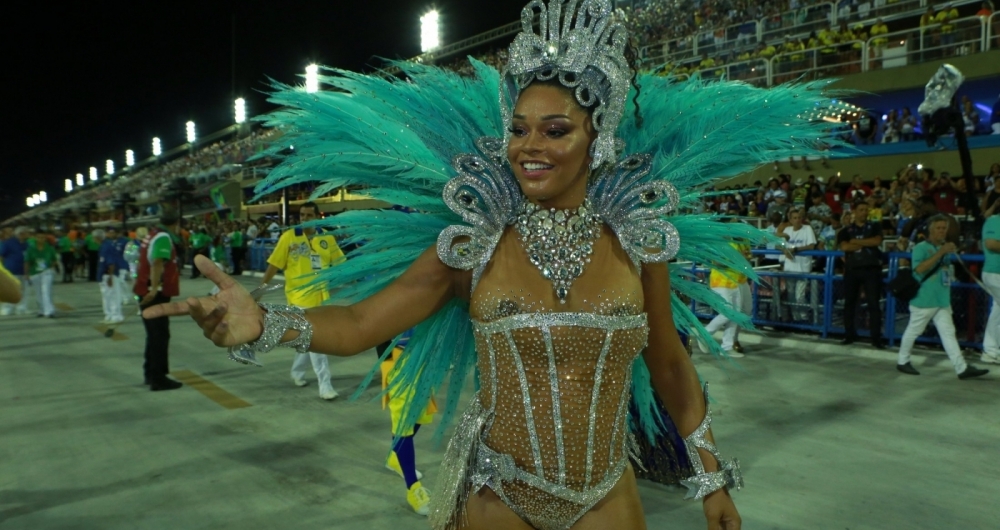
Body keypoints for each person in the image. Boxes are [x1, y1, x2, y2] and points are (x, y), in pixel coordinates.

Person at [145, 2, 843, 527]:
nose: (529, 146)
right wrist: (262, 323)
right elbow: (360, 322)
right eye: (518, 128)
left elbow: (668, 364)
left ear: (597, 140)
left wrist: (711, 477)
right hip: (498, 494)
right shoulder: (471, 241)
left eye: (555, 130)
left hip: (608, 493)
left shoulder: (638, 239)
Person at [260, 202, 345, 401]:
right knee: (317, 340)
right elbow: (273, 266)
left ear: (317, 216)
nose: (304, 218)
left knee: (307, 338)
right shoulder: (289, 237)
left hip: (321, 296)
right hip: (299, 297)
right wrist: (260, 290)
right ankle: (325, 385)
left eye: (308, 215)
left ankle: (297, 371)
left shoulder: (326, 237)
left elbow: (341, 263)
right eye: (301, 215)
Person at [896, 215, 989, 379]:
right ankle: (903, 361)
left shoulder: (944, 248)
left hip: (942, 299)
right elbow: (919, 269)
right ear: (930, 230)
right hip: (924, 299)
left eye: (944, 228)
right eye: (938, 228)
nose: (942, 231)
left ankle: (961, 368)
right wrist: (941, 252)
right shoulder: (921, 247)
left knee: (948, 333)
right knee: (914, 330)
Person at [378, 331, 436, 515]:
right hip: (398, 355)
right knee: (403, 423)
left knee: (420, 413)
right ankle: (413, 488)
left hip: (424, 352)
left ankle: (395, 457)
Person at [134, 210, 184, 391]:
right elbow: (157, 262)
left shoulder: (152, 234)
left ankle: (150, 373)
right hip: (155, 293)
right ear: (176, 224)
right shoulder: (163, 237)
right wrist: (154, 288)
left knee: (154, 334)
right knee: (160, 335)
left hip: (145, 289)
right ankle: (158, 378)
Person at [837, 200, 885, 348]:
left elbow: (876, 242)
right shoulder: (846, 230)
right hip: (852, 270)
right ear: (855, 212)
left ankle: (876, 338)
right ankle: (849, 335)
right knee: (850, 304)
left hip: (871, 270)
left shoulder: (875, 226)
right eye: (861, 209)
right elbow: (845, 246)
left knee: (873, 304)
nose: (864, 212)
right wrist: (865, 242)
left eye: (866, 210)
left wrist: (856, 242)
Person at [780, 208, 817, 322]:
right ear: (790, 220)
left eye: (799, 217)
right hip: (789, 268)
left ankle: (804, 318)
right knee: (791, 297)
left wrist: (796, 249)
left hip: (803, 269)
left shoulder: (807, 229)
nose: (797, 220)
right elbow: (780, 244)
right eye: (794, 218)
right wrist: (785, 250)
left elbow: (811, 246)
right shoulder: (787, 230)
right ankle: (796, 320)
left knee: (799, 297)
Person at [979, 198, 1000, 365]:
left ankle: (990, 351)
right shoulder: (994, 221)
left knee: (997, 311)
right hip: (994, 273)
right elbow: (991, 244)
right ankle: (991, 350)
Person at [25, 231, 60, 318]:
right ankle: (42, 309)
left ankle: (49, 311)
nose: (41, 239)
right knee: (38, 292)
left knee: (46, 291)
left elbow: (54, 259)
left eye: (43, 237)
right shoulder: (31, 249)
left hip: (46, 272)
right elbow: (27, 262)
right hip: (34, 273)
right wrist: (27, 274)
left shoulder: (50, 248)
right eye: (39, 237)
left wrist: (51, 267)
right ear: (35, 238)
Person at [98, 228, 126, 325]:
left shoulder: (107, 247)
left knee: (113, 296)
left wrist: (110, 277)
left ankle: (116, 316)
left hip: (110, 274)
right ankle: (109, 315)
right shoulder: (105, 246)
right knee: (107, 297)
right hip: (105, 275)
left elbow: (111, 263)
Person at [0, 227, 30, 316]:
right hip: (11, 270)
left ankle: (22, 307)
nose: (26, 235)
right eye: (24, 233)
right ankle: (7, 308)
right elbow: (1, 256)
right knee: (10, 290)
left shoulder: (27, 244)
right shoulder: (8, 243)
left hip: (23, 271)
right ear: (19, 234)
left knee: (23, 290)